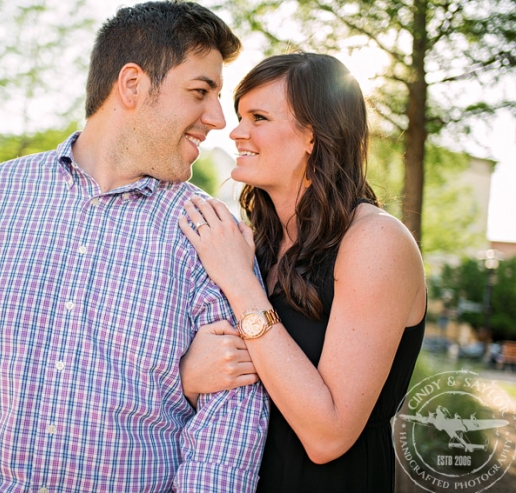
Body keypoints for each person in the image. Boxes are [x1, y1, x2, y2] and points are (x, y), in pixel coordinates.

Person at [0, 2, 269, 492]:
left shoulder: (209, 230)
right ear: (132, 85)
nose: (216, 118)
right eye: (200, 92)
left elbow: (230, 415)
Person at [178, 53, 426, 492]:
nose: (236, 131)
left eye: (258, 117)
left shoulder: (375, 243)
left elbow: (328, 435)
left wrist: (239, 283)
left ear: (313, 135)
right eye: (240, 116)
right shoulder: (255, 242)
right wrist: (191, 378)